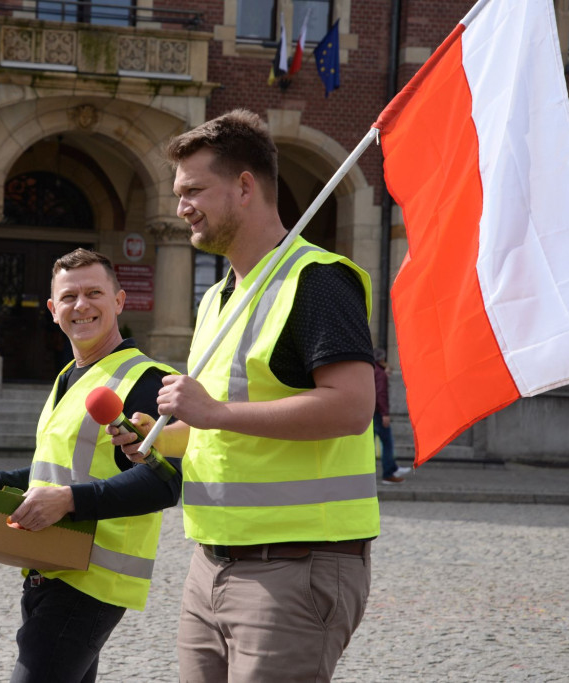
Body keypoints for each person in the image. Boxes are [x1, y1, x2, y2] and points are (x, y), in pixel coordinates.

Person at [112, 110, 379, 682]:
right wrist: (161, 437)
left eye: (193, 190)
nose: (180, 205)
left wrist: (212, 411)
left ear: (244, 186)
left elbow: (354, 408)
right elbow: (223, 433)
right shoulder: (217, 298)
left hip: (295, 564)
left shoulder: (317, 280)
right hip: (211, 563)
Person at [0, 248, 182, 683]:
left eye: (95, 293)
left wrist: (69, 501)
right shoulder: (69, 376)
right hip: (49, 567)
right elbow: (50, 474)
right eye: (69, 297)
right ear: (53, 311)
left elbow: (165, 485)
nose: (81, 306)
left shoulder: (145, 379)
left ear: (119, 301)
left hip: (93, 578)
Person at [374, 346, 412, 484]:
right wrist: (385, 413)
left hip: (372, 412)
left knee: (378, 443)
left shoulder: (373, 370)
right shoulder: (380, 373)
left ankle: (392, 468)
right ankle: (389, 473)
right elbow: (381, 394)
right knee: (388, 443)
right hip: (378, 413)